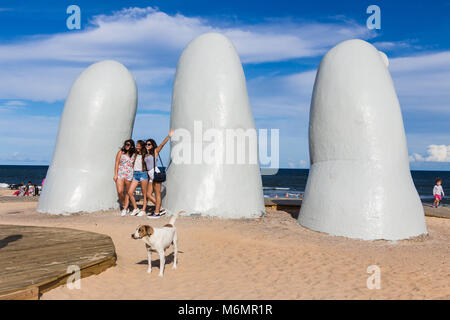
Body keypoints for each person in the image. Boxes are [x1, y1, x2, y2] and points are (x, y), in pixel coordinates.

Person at [146, 129, 174, 218]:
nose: (147, 145)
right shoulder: (145, 154)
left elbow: (162, 145)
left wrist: (169, 136)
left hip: (155, 173)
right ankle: (160, 208)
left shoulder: (155, 151)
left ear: (152, 145)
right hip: (150, 176)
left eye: (149, 144)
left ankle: (157, 212)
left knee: (157, 194)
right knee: (148, 194)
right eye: (147, 144)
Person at [114, 139, 135, 216]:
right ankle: (124, 204)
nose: (126, 146)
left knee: (127, 192)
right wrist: (115, 174)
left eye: (128, 144)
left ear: (132, 146)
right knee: (120, 191)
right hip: (120, 173)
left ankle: (125, 208)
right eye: (126, 144)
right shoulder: (120, 152)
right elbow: (116, 163)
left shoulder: (134, 154)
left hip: (129, 174)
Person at [128, 140, 149, 216]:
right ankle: (136, 208)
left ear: (142, 146)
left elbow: (151, 163)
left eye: (138, 145)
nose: (137, 146)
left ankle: (143, 210)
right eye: (136, 145)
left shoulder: (146, 155)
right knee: (130, 192)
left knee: (144, 194)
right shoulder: (135, 154)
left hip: (143, 174)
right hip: (135, 174)